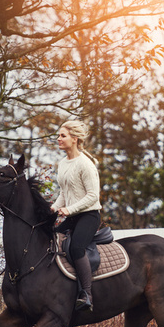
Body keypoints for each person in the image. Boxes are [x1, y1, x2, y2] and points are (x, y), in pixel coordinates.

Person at [50, 120, 102, 312]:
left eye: (62, 135)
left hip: (88, 216)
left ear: (75, 139)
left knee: (77, 247)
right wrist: (54, 208)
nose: (58, 139)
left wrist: (69, 210)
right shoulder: (63, 163)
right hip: (72, 216)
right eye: (58, 135)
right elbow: (64, 192)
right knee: (50, 236)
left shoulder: (85, 164)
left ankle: (86, 294)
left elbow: (92, 196)